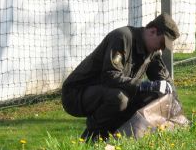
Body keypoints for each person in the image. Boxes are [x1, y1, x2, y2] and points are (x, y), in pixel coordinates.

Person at [61, 13, 180, 141]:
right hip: (76, 93)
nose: (162, 48)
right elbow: (110, 76)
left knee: (152, 95)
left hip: (106, 90)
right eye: (162, 43)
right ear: (152, 31)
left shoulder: (152, 52)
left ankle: (121, 137)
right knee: (120, 98)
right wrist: (144, 85)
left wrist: (177, 109)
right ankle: (91, 137)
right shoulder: (122, 37)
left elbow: (165, 80)